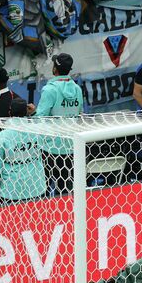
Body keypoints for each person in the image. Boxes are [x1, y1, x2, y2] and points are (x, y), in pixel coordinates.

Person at [35, 52, 83, 195]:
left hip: (50, 147)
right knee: (67, 191)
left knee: (43, 192)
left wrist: (33, 112)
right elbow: (79, 114)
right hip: (71, 146)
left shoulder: (49, 90)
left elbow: (40, 117)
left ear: (55, 69)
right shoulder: (77, 89)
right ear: (69, 70)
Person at [0, 96, 46, 203]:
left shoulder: (2, 137)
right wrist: (34, 114)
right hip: (37, 187)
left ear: (9, 113)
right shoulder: (39, 130)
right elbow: (45, 125)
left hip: (11, 191)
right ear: (26, 111)